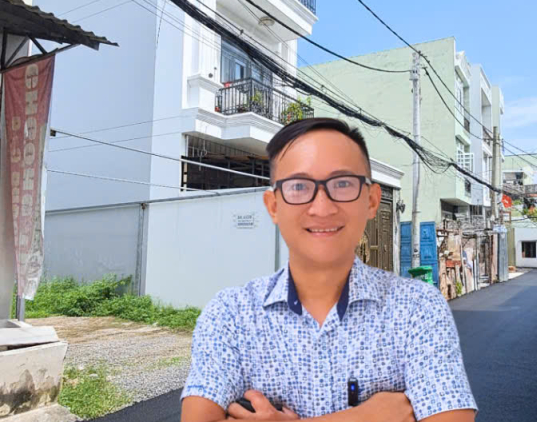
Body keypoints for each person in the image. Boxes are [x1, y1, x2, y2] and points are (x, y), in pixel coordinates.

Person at [181, 118, 477, 422]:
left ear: (371, 200)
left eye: (342, 184)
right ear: (273, 206)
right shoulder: (231, 314)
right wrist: (368, 417)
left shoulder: (418, 308)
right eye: (298, 186)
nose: (322, 208)